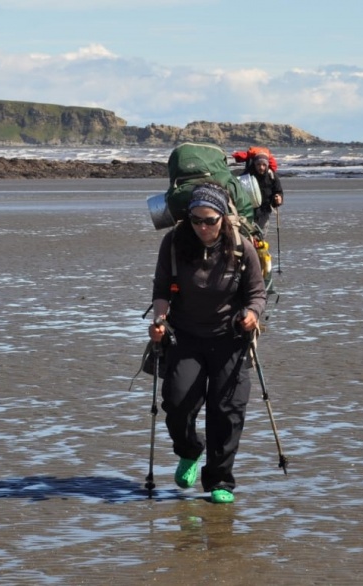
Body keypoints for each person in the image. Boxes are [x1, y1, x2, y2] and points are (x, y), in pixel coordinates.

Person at [148, 182, 268, 504]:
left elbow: (257, 294)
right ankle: (189, 451)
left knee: (227, 411)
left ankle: (220, 481)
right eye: (196, 220)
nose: (202, 227)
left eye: (210, 220)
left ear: (224, 219)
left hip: (230, 338)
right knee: (176, 403)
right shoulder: (173, 243)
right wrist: (159, 322)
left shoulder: (242, 246)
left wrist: (252, 315)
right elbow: (161, 290)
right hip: (186, 336)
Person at [246, 149, 284, 231]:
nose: (261, 167)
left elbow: (278, 191)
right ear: (254, 164)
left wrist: (279, 198)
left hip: (265, 211)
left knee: (261, 236)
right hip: (248, 211)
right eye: (258, 164)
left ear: (267, 165)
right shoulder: (246, 176)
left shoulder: (272, 177)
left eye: (264, 165)